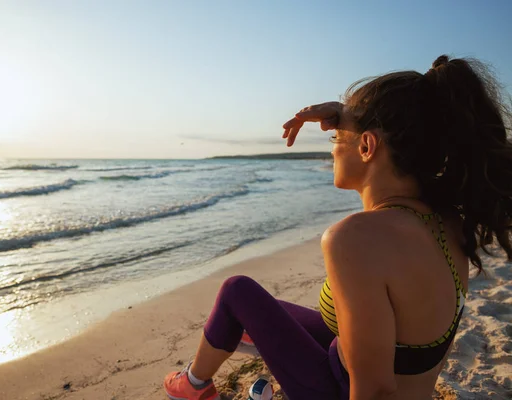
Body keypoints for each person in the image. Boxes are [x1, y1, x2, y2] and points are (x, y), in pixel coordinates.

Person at [162, 55, 512, 400]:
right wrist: (346, 115)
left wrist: (349, 116)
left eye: (335, 139)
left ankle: (192, 385)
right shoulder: (446, 219)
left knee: (237, 290)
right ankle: (203, 375)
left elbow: (374, 389)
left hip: (343, 387)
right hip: (386, 373)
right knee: (245, 300)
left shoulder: (354, 239)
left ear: (366, 145)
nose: (331, 150)